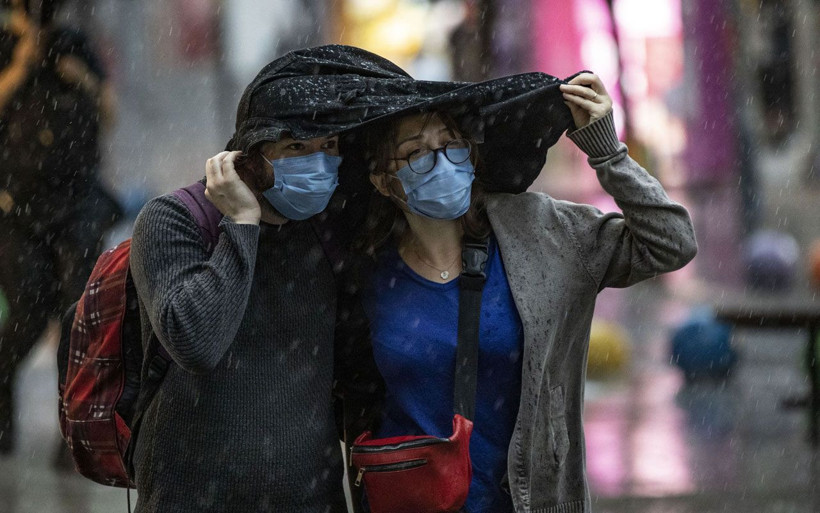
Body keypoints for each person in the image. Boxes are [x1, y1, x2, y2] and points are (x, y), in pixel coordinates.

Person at [351, 72, 698, 512]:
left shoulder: (540, 231)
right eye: (416, 152)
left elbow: (671, 242)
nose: (441, 161)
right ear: (383, 182)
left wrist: (607, 152)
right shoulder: (364, 273)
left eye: (451, 144)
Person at [127, 61, 355, 512]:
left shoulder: (327, 231)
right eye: (296, 146)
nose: (319, 162)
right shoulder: (172, 220)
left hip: (308, 499)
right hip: (189, 498)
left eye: (328, 145)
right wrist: (242, 223)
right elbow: (196, 342)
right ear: (247, 156)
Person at [0, 0, 120, 457]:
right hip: (15, 208)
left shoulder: (75, 43)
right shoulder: (5, 45)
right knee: (28, 312)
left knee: (77, 316)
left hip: (77, 203)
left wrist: (82, 79)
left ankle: (72, 434)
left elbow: (109, 111)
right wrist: (20, 65)